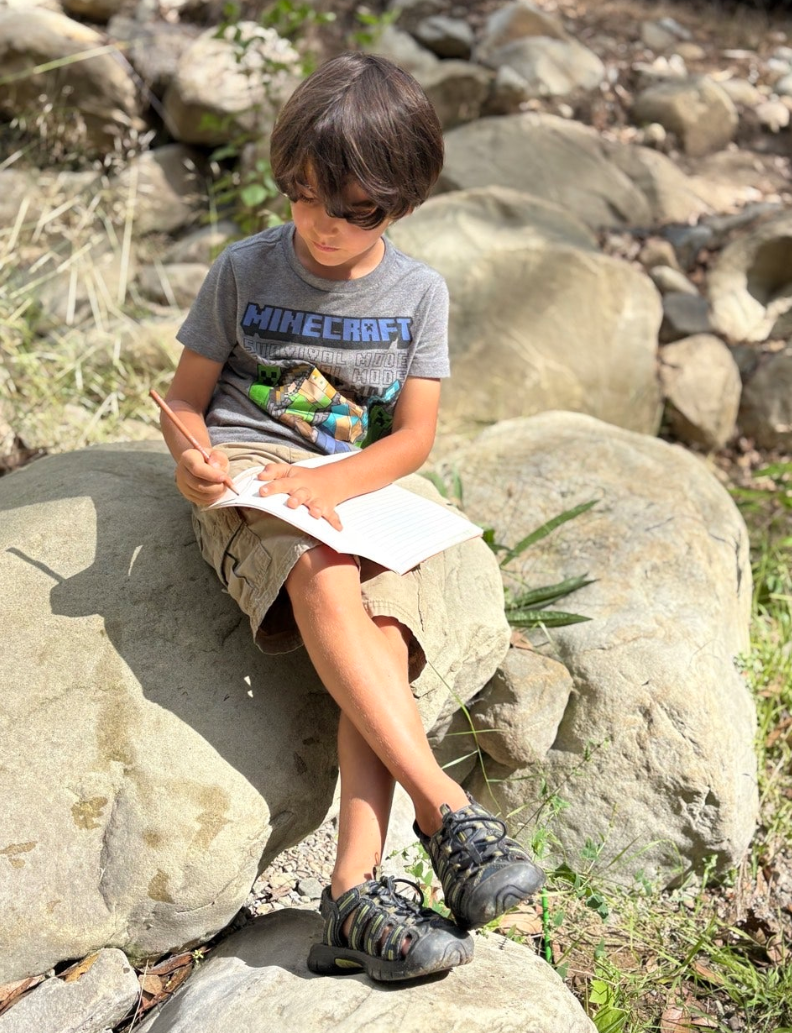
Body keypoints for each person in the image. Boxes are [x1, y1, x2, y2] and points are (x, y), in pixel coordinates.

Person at [159, 51, 544, 983]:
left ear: (402, 201)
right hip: (254, 473)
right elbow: (185, 402)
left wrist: (338, 484)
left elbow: (413, 437)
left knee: (387, 634)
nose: (321, 224)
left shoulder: (418, 295)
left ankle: (351, 893)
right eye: (303, 196)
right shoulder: (245, 269)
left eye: (353, 208)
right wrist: (193, 464)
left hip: (358, 485)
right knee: (323, 572)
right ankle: (446, 809)